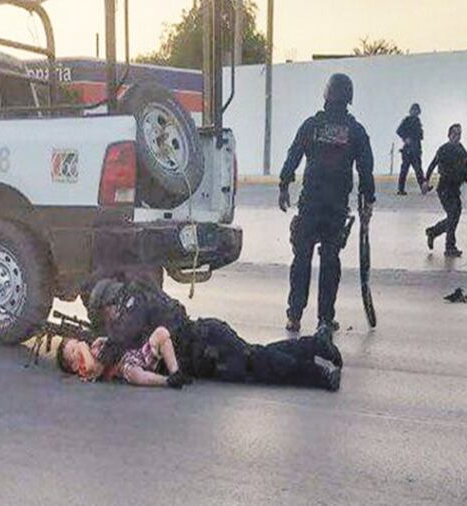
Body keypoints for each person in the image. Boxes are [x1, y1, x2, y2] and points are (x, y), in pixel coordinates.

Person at [86, 276, 342, 391]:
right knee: (258, 355)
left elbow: (119, 341)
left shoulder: (133, 306)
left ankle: (319, 375)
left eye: (104, 314)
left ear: (111, 304)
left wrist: (100, 346)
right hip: (208, 341)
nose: (106, 321)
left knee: (262, 365)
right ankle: (315, 346)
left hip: (208, 348)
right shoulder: (138, 300)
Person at [278, 73, 375, 339]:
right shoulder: (355, 131)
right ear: (349, 98)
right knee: (330, 261)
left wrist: (284, 185)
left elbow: (293, 154)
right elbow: (366, 169)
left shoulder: (312, 125)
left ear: (327, 95)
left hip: (310, 205)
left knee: (301, 259)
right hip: (335, 209)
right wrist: (369, 201)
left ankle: (294, 316)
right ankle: (324, 319)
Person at [57, 326, 191, 389]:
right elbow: (92, 366)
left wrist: (106, 340)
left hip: (134, 354)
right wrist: (82, 346)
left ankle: (176, 373)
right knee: (134, 374)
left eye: (76, 344)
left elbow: (114, 345)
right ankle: (167, 381)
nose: (79, 347)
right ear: (74, 366)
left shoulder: (93, 347)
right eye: (74, 350)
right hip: (125, 367)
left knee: (161, 333)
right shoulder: (83, 369)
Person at [423, 124, 467, 258]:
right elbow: (432, 165)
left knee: (454, 217)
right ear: (449, 135)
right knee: (452, 215)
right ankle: (449, 247)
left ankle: (433, 232)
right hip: (445, 188)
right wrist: (425, 181)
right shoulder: (444, 149)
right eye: (455, 134)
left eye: (459, 134)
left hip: (454, 189)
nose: (457, 137)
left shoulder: (460, 149)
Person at [396, 103, 426, 195]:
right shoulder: (407, 120)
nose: (415, 112)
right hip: (408, 150)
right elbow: (399, 131)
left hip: (416, 149)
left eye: (417, 110)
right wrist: (405, 138)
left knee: (418, 170)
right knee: (404, 169)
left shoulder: (417, 121)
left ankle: (423, 187)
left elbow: (420, 136)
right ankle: (400, 189)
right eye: (414, 110)